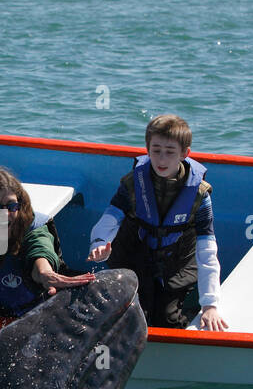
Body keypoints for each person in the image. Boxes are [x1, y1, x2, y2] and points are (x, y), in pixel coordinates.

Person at [87, 114, 227, 330]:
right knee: (132, 313)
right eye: (156, 150)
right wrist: (99, 244)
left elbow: (207, 250)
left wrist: (210, 304)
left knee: (167, 320)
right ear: (147, 148)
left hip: (178, 260)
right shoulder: (133, 183)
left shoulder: (200, 194)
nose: (162, 159)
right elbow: (110, 217)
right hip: (137, 252)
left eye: (170, 152)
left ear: (184, 153)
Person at [0, 166, 94, 316]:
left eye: (11, 206)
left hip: (37, 322)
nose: (5, 214)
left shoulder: (33, 230)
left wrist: (45, 272)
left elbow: (40, 250)